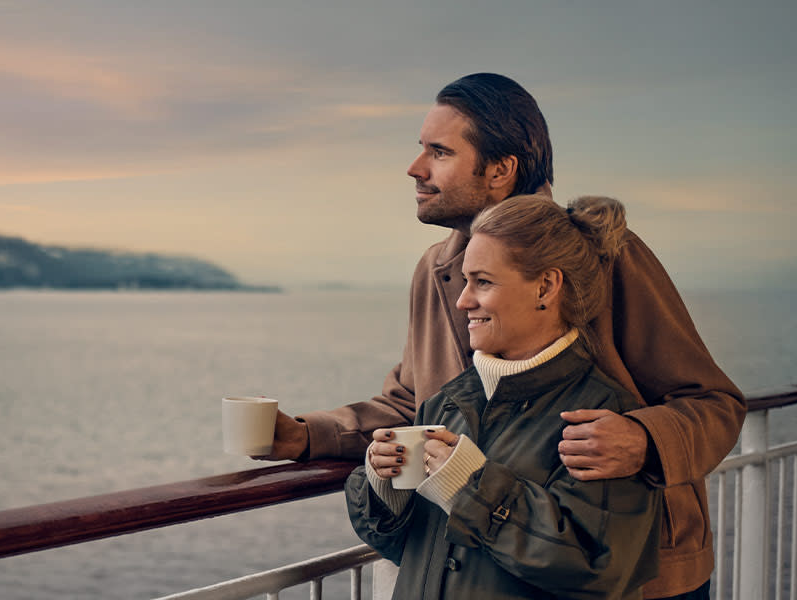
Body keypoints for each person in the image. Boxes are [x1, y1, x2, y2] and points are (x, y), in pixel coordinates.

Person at [260, 73, 744, 599]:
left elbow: (713, 403)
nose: (415, 168)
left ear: (500, 170)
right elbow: (413, 404)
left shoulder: (608, 256)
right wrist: (306, 436)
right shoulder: (435, 270)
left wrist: (645, 439)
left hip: (638, 577)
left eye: (439, 152)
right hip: (482, 567)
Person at [347, 193, 661, 599]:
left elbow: (597, 569)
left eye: (483, 282)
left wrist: (471, 485)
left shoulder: (605, 418)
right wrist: (385, 488)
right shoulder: (443, 404)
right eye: (465, 281)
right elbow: (409, 548)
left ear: (546, 286)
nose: (463, 301)